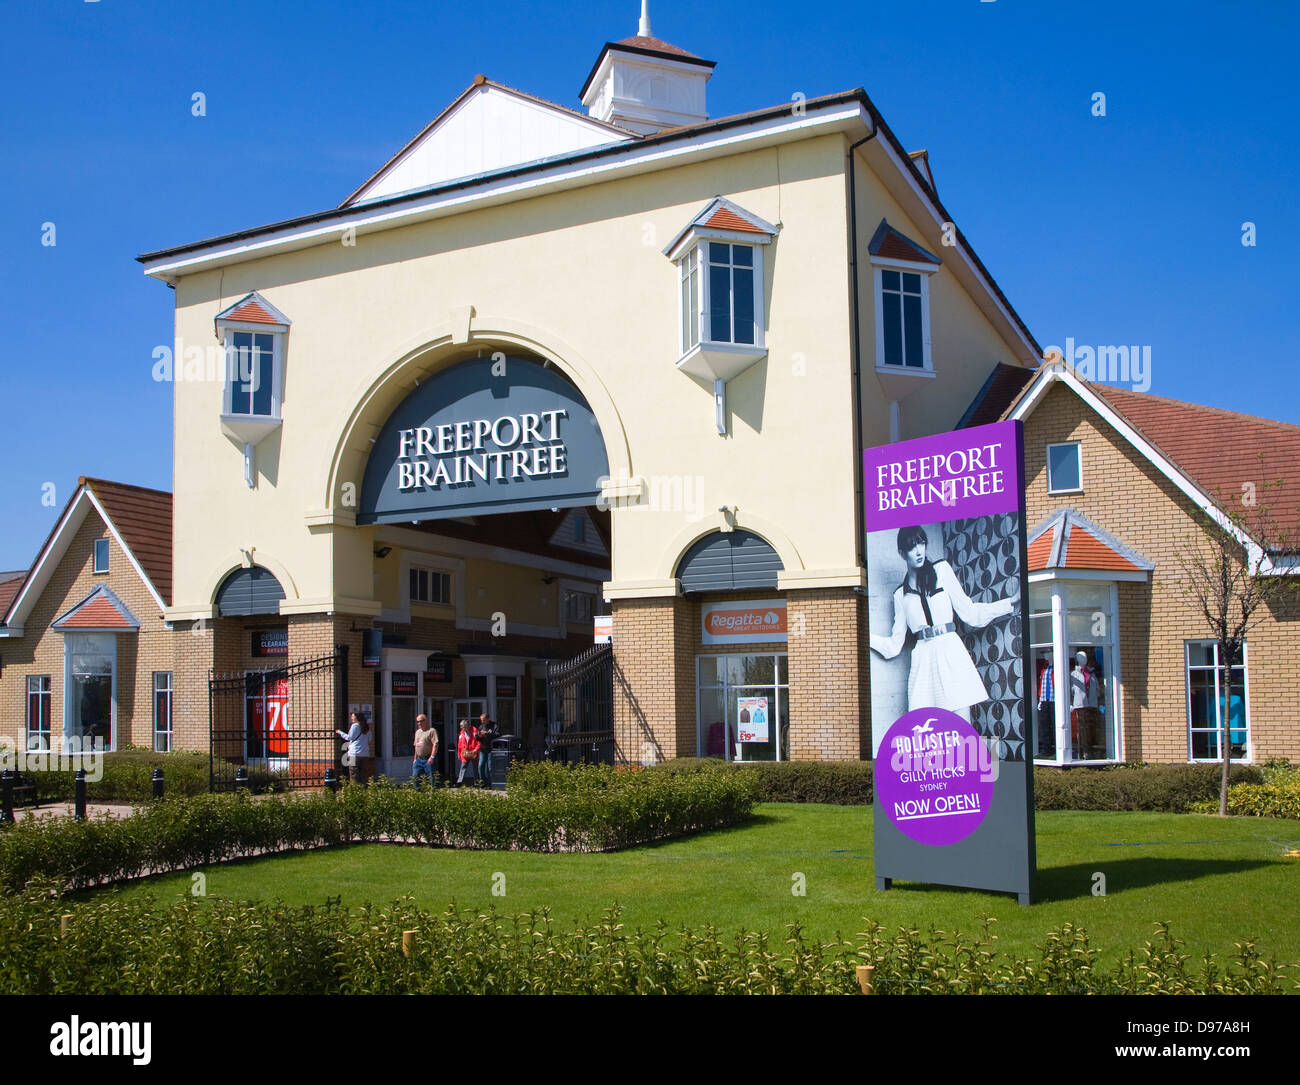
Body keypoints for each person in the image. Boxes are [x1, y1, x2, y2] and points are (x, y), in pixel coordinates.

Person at [869, 525, 1018, 722]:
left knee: (961, 726)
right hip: (923, 660)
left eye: (922, 543)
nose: (919, 550)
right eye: (912, 547)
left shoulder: (942, 570)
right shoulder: (900, 595)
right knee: (925, 730)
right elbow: (893, 647)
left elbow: (970, 613)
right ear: (901, 553)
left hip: (950, 651)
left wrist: (1010, 602)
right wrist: (861, 637)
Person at [335, 711, 373, 784]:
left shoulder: (355, 726)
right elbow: (370, 739)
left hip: (354, 753)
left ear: (357, 718)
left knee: (354, 774)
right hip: (365, 754)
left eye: (353, 716)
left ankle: (355, 790)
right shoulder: (366, 727)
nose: (351, 718)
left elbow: (349, 737)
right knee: (363, 774)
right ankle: (363, 790)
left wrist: (340, 732)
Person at [411, 713, 439, 788]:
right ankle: (418, 795)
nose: (419, 723)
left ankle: (433, 795)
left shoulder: (431, 731)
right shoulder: (417, 732)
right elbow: (416, 746)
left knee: (431, 779)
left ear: (426, 721)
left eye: (421, 721)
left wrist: (432, 757)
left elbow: (435, 744)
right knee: (415, 778)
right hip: (419, 760)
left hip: (428, 758)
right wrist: (414, 759)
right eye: (417, 722)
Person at [476, 712, 498, 787]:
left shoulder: (494, 725)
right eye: (481, 720)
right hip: (483, 749)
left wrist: (487, 734)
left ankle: (490, 783)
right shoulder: (481, 726)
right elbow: (477, 738)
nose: (482, 721)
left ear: (488, 719)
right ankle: (483, 782)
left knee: (490, 767)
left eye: (483, 720)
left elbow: (498, 734)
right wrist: (478, 736)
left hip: (491, 748)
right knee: (480, 766)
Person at [455, 719, 480, 786]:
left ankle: (477, 782)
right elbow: (459, 745)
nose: (462, 728)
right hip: (465, 753)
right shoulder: (461, 733)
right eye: (461, 727)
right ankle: (459, 782)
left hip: (473, 752)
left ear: (468, 726)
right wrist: (459, 754)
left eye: (463, 726)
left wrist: (476, 749)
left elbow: (479, 742)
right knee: (463, 767)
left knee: (475, 768)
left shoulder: (475, 731)